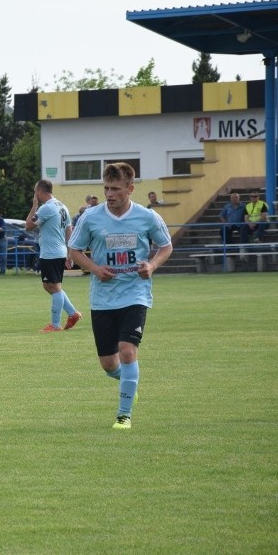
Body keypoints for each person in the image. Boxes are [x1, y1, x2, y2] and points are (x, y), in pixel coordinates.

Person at [68, 162, 173, 430]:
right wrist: (94, 269)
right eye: (106, 188)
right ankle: (129, 385)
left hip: (135, 294)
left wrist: (151, 265)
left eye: (115, 189)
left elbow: (165, 246)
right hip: (102, 298)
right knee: (108, 364)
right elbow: (75, 251)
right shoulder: (91, 217)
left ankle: (123, 414)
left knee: (127, 353)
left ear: (130, 189)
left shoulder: (147, 217)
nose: (109, 194)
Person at [25, 179, 82, 333]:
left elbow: (28, 225)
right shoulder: (62, 206)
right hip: (58, 251)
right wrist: (69, 252)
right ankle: (73, 314)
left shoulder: (46, 208)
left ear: (40, 191)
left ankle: (55, 325)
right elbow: (69, 230)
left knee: (55, 287)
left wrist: (34, 206)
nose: (34, 194)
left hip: (51, 253)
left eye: (35, 190)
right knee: (48, 285)